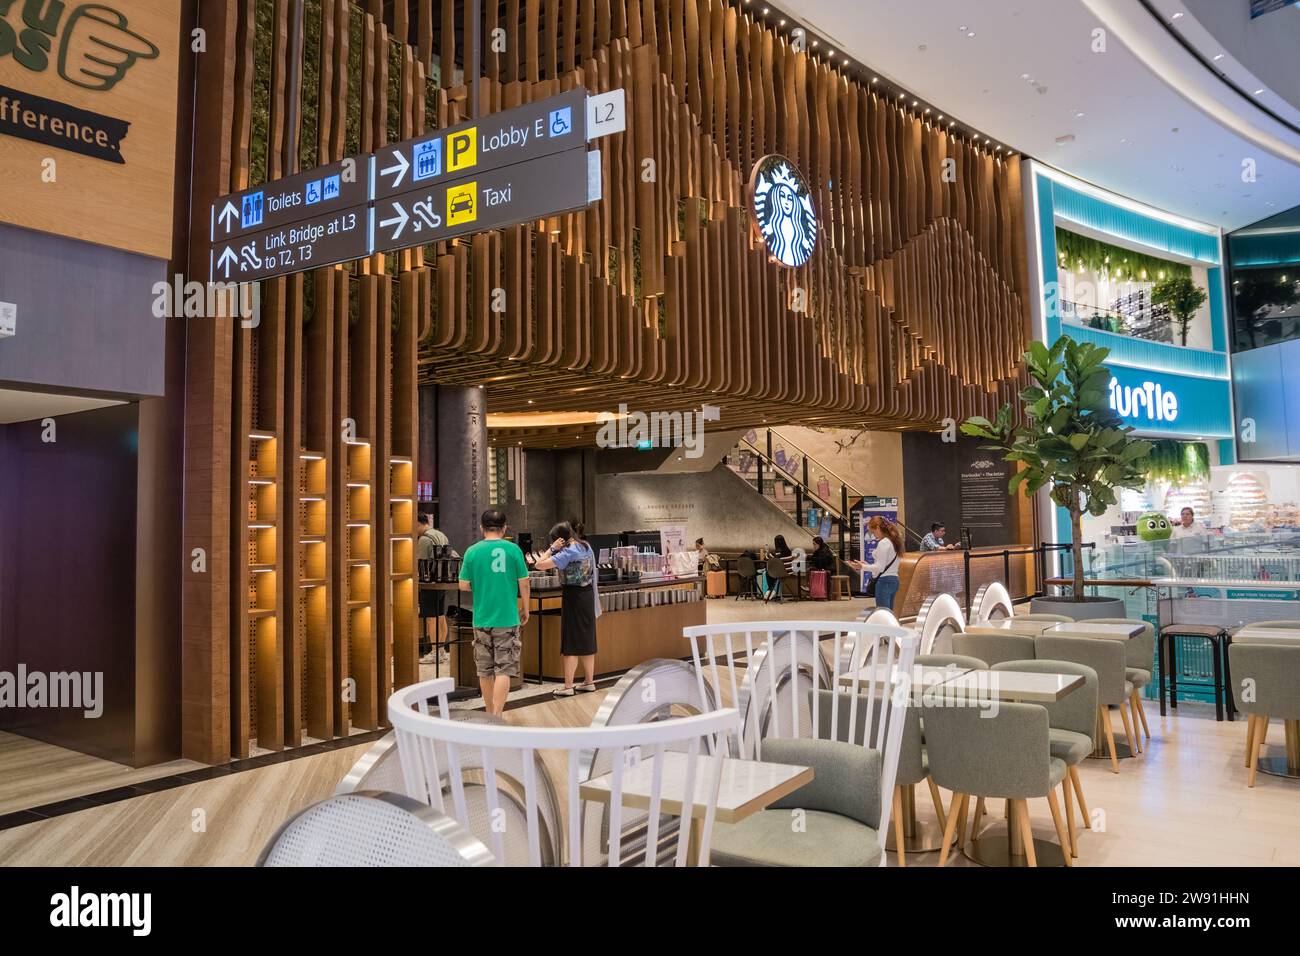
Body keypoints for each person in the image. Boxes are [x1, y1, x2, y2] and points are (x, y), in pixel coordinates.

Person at [458, 509, 530, 715]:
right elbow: (524, 583)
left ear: (482, 528)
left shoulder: (472, 551)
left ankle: (489, 714)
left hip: (481, 618)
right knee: (504, 668)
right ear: (504, 528)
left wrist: (481, 586)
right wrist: (525, 608)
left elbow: (463, 585)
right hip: (507, 617)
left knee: (485, 669)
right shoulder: (513, 549)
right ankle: (497, 715)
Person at [532, 520, 600, 697]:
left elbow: (538, 564)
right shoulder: (586, 546)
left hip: (573, 597)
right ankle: (589, 681)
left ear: (559, 539)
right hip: (588, 596)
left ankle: (568, 686)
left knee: (570, 641)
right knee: (587, 639)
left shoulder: (567, 552)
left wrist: (551, 548)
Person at [849, 516, 903, 612]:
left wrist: (862, 566)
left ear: (878, 527)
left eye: (873, 532)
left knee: (883, 614)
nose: (874, 535)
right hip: (894, 580)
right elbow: (885, 563)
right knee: (889, 614)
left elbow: (880, 568)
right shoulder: (894, 541)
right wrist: (866, 564)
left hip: (884, 581)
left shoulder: (883, 543)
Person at [417, 513, 450, 664]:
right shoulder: (440, 534)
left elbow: (421, 563)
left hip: (429, 583)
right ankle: (442, 650)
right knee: (441, 616)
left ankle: (435, 651)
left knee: (431, 618)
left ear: (418, 523)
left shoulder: (424, 539)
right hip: (442, 581)